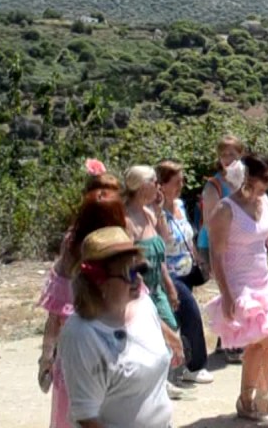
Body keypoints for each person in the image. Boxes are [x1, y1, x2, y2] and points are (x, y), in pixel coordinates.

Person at [205, 154, 268, 422]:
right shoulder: (226, 210)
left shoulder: (264, 202)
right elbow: (216, 255)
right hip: (239, 286)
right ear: (246, 179)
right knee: (264, 337)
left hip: (262, 281)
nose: (265, 189)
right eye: (262, 183)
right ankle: (256, 395)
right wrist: (226, 295)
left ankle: (251, 397)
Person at [57, 226, 175, 428]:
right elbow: (87, 418)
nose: (139, 280)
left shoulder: (145, 306)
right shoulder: (82, 334)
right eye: (129, 273)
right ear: (99, 281)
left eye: (140, 269)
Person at [37, 183, 127, 428]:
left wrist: (46, 357)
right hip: (101, 350)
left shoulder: (73, 242)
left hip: (78, 350)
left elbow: (55, 312)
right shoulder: (110, 245)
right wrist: (46, 357)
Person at [121, 165, 187, 401]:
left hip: (156, 286)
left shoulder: (149, 214)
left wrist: (169, 285)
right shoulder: (126, 220)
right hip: (139, 290)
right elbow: (126, 261)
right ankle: (154, 384)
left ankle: (162, 379)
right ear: (141, 186)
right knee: (150, 335)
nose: (158, 186)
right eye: (154, 182)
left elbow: (164, 245)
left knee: (169, 326)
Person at [157, 160, 213, 385]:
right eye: (176, 182)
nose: (181, 186)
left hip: (187, 269)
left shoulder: (180, 205)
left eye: (182, 181)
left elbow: (187, 236)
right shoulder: (155, 212)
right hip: (169, 275)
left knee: (177, 319)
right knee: (190, 314)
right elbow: (162, 242)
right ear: (161, 185)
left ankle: (176, 365)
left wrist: (199, 258)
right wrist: (159, 209)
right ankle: (195, 366)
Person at [198, 135, 245, 364]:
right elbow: (210, 222)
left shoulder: (243, 182)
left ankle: (225, 341)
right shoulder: (214, 186)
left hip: (237, 245)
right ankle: (233, 344)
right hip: (217, 245)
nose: (227, 158)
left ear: (240, 155)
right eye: (224, 154)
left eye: (232, 154)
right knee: (231, 291)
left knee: (235, 290)